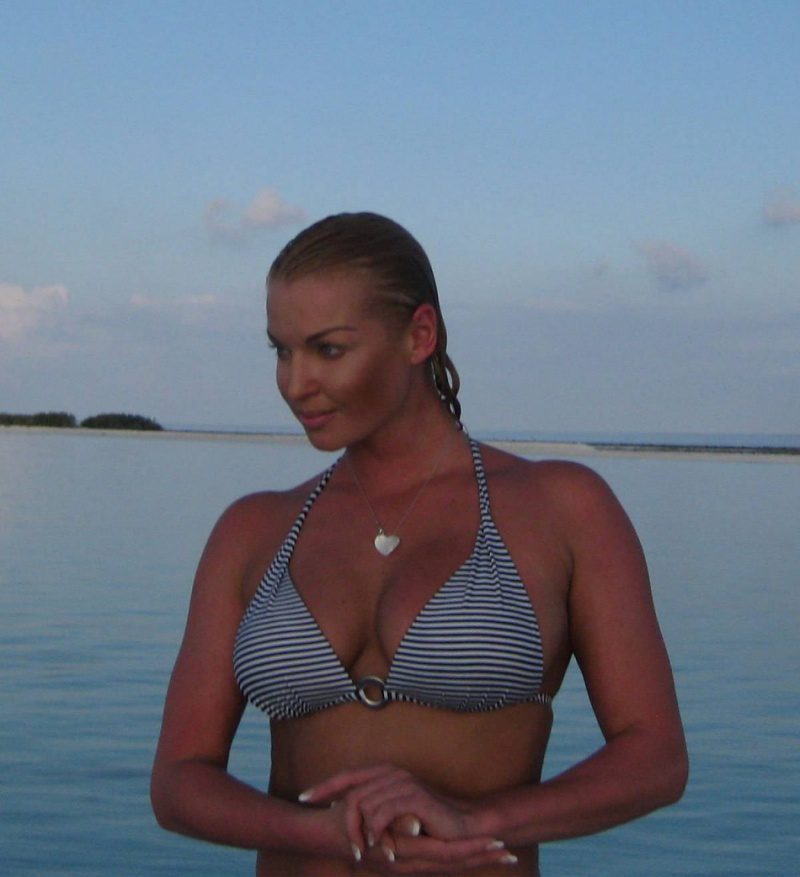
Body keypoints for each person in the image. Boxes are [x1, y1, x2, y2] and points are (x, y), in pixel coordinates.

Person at [151, 212, 688, 876]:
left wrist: (478, 822)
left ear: (419, 335)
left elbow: (655, 758)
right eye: (281, 351)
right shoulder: (252, 529)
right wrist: (324, 833)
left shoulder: (563, 507)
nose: (295, 383)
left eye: (328, 349)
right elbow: (178, 782)